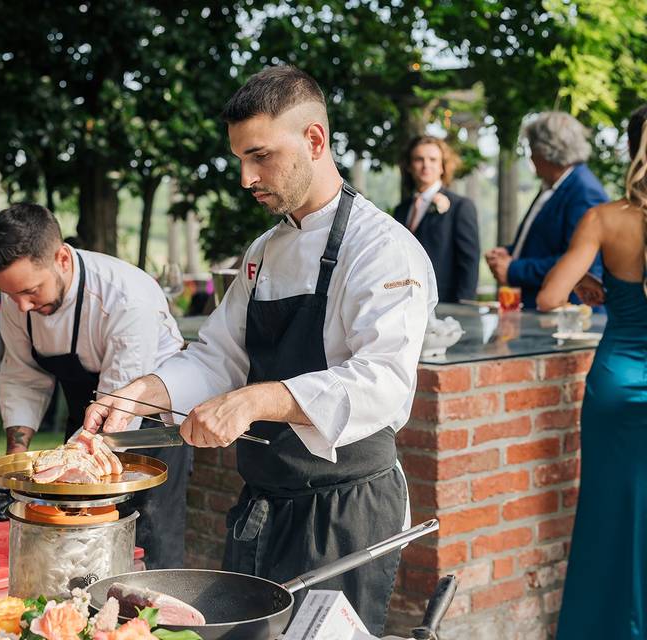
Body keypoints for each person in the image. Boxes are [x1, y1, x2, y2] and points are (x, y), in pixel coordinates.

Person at [83, 66, 436, 635]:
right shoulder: (262, 253)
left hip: (346, 508)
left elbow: (383, 381)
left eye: (261, 156)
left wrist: (256, 400)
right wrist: (143, 393)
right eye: (240, 159)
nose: (247, 177)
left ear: (314, 140)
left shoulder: (383, 250)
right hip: (265, 501)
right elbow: (217, 357)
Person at [0, 203, 190, 570]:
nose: (22, 306)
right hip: (86, 418)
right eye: (12, 296)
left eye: (31, 292)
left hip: (149, 427)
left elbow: (120, 403)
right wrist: (16, 460)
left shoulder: (126, 297)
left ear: (61, 258)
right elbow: (21, 376)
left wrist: (65, 466)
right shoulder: (17, 296)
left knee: (146, 542)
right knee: (78, 549)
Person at [536, 105, 647, 640]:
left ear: (630, 151)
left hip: (616, 383)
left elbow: (551, 296)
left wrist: (589, 287)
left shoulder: (604, 218)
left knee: (607, 513)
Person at [486, 111, 609, 309]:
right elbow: (545, 243)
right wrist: (509, 253)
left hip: (566, 316)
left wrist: (514, 269)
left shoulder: (584, 192)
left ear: (545, 151)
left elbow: (580, 263)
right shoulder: (553, 184)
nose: (531, 157)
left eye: (531, 149)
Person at [394, 136, 480, 303]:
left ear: (442, 166)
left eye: (433, 159)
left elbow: (469, 262)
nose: (426, 165)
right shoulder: (401, 210)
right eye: (419, 159)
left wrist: (464, 305)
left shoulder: (460, 207)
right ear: (410, 166)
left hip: (444, 302)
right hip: (404, 302)